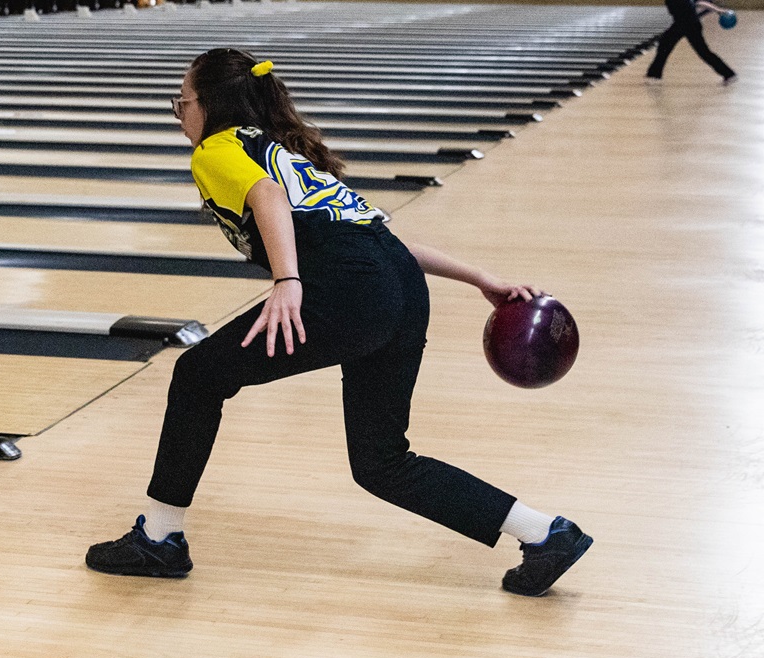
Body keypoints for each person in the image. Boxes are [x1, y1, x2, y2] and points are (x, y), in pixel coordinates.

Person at [85, 48, 593, 597]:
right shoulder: (283, 152)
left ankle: (159, 540)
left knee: (197, 374)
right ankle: (545, 534)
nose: (178, 114)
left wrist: (287, 282)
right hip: (399, 285)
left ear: (209, 105)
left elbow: (265, 197)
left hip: (349, 290)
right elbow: (383, 242)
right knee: (382, 461)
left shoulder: (218, 149)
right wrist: (481, 280)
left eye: (179, 103)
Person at [645, 0, 737, 84]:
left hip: (689, 24)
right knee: (665, 45)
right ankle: (654, 75)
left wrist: (719, 10)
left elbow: (699, 2)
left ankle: (729, 74)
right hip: (685, 23)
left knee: (703, 52)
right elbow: (699, 2)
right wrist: (718, 10)